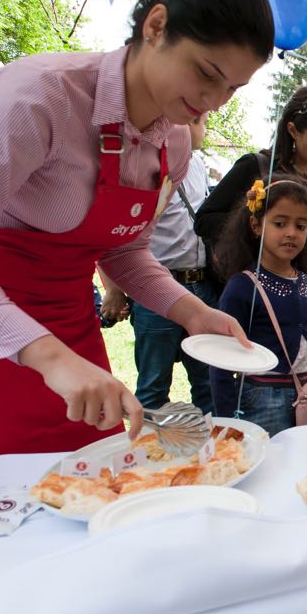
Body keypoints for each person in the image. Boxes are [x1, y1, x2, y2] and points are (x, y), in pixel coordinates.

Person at [0, 0, 274, 460]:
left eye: (233, 88)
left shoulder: (173, 137)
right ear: (156, 26)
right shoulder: (39, 96)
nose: (213, 102)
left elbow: (124, 249)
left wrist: (193, 312)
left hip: (68, 323)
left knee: (90, 476)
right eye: (207, 73)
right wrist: (47, 356)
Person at [195, 85, 307, 396]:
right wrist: (259, 224)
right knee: (276, 399)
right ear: (292, 131)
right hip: (273, 308)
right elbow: (205, 220)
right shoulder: (256, 167)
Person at [103, 112, 218, 413]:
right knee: (153, 387)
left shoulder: (198, 167)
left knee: (208, 384)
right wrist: (114, 289)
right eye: (203, 120)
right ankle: (149, 453)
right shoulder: (144, 164)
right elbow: (112, 235)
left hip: (201, 286)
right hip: (156, 292)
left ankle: (216, 455)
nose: (203, 127)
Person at [209, 179, 307, 435]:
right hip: (261, 397)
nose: (291, 232)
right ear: (256, 225)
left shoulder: (304, 282)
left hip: (306, 390)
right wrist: (226, 420)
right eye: (280, 223)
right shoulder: (242, 287)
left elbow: (303, 337)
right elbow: (221, 360)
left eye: (301, 226)